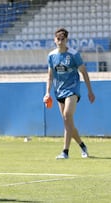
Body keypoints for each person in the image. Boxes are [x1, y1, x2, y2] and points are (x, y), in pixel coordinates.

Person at [43, 28, 95, 159]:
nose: (60, 42)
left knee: (67, 115)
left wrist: (90, 91)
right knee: (68, 122)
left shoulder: (73, 54)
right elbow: (49, 76)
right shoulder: (51, 56)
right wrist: (47, 93)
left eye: (63, 39)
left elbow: (84, 72)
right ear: (54, 40)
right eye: (58, 39)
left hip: (72, 89)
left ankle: (65, 152)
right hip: (59, 91)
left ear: (66, 40)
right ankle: (82, 145)